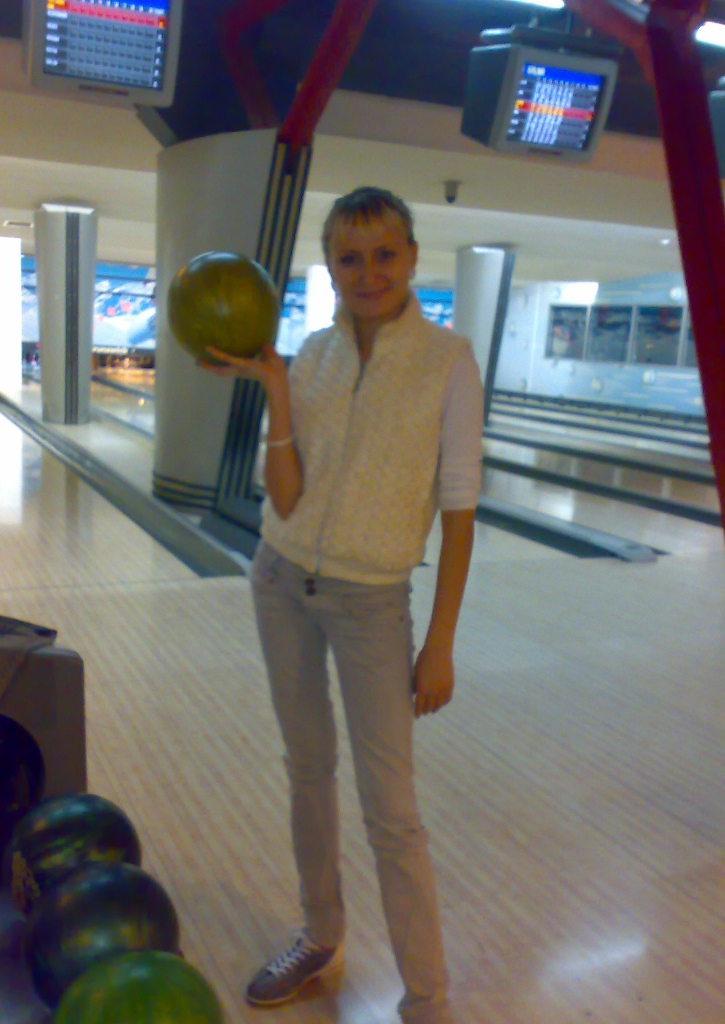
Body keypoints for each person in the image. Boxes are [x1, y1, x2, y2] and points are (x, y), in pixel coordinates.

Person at [200, 186, 484, 1024]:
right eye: (350, 257)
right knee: (307, 770)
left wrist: (440, 645)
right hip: (280, 582)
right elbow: (285, 500)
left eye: (385, 254)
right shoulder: (312, 355)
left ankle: (427, 1000)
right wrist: (277, 390)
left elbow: (460, 513)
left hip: (371, 602)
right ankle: (320, 934)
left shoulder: (448, 361)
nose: (369, 272)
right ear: (329, 267)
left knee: (392, 814)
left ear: (412, 258)